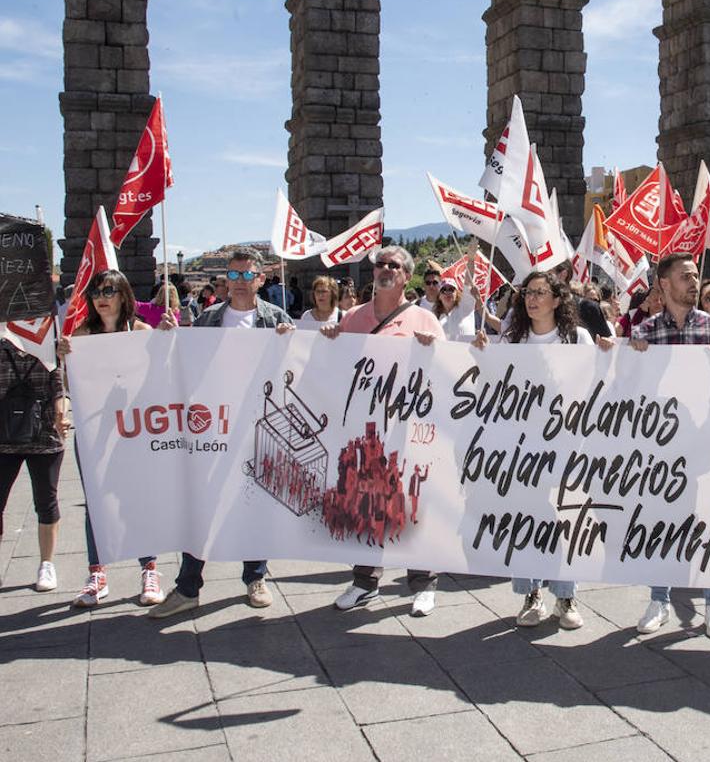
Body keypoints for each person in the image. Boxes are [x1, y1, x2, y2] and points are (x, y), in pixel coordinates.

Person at [148, 247, 293, 619]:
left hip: (256, 425)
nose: (241, 282)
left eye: (248, 275)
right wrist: (168, 337)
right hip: (213, 427)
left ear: (261, 279)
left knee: (254, 504)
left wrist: (289, 341)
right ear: (225, 279)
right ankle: (187, 587)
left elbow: (291, 370)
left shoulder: (275, 318)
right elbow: (187, 361)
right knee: (202, 505)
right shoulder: (209, 318)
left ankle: (255, 578)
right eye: (235, 275)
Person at [474, 270, 613, 629]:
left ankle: (565, 597)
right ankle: (530, 594)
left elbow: (595, 382)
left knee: (563, 519)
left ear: (557, 299)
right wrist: (480, 356)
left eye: (539, 292)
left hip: (566, 442)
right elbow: (495, 384)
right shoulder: (511, 339)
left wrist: (609, 357)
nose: (531, 299)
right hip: (521, 444)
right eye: (527, 293)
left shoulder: (576, 338)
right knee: (526, 517)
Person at [320, 245, 445, 615]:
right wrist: (328, 337)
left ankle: (424, 584)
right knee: (366, 502)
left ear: (407, 276)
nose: (386, 269)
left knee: (411, 502)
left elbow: (447, 374)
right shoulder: (353, 318)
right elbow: (332, 364)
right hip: (365, 429)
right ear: (372, 273)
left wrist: (434, 351)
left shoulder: (425, 320)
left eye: (395, 265)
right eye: (380, 265)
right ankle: (364, 583)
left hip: (408, 428)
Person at [630, 252, 710, 638]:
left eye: (695, 276)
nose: (694, 282)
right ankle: (659, 598)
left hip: (709, 442)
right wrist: (623, 356)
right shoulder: (644, 334)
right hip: (662, 446)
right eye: (685, 276)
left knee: (708, 520)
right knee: (662, 523)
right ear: (664, 284)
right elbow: (632, 392)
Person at [57, 271, 164, 607]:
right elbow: (73, 389)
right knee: (95, 501)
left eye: (109, 291)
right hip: (94, 429)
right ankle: (97, 573)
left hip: (133, 428)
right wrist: (64, 361)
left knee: (137, 498)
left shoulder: (141, 332)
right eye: (96, 292)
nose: (101, 297)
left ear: (123, 296)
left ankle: (149, 568)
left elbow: (158, 379)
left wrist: (167, 342)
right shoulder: (81, 335)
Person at [0, 333, 69, 592]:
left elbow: (60, 386)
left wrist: (62, 412)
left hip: (45, 435)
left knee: (46, 501)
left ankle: (46, 564)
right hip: (4, 437)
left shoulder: (49, 345)